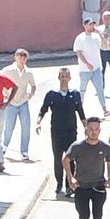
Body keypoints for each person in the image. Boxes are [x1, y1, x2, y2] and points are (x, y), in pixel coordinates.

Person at [64, 118, 110, 219]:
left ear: (99, 131)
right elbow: (66, 159)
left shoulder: (105, 147)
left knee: (98, 213)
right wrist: (71, 178)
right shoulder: (77, 146)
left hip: (99, 185)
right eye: (90, 129)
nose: (93, 132)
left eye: (96, 129)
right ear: (86, 130)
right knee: (84, 213)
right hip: (82, 186)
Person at [38, 68, 87, 196]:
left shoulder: (75, 94)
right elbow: (43, 110)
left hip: (71, 132)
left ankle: (69, 184)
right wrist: (38, 122)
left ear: (70, 78)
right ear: (59, 78)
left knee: (70, 158)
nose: (64, 78)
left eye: (66, 76)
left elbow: (80, 111)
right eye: (62, 76)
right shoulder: (52, 94)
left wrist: (86, 127)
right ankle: (59, 182)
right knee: (57, 158)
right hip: (56, 132)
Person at [0, 49, 37, 161]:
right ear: (15, 57)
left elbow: (33, 85)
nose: (22, 59)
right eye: (20, 56)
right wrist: (3, 95)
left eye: (24, 57)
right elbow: (0, 82)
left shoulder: (28, 72)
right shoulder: (8, 70)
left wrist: (30, 94)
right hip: (11, 103)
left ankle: (24, 151)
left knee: (26, 126)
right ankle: (4, 146)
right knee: (9, 127)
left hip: (23, 102)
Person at [74, 19, 110, 116]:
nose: (92, 26)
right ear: (85, 25)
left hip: (96, 68)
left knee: (100, 89)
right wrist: (87, 64)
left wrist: (100, 34)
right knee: (82, 89)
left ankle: (104, 108)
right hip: (84, 69)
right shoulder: (80, 38)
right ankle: (79, 109)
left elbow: (105, 46)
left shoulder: (96, 37)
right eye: (90, 24)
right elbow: (79, 53)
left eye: (93, 24)